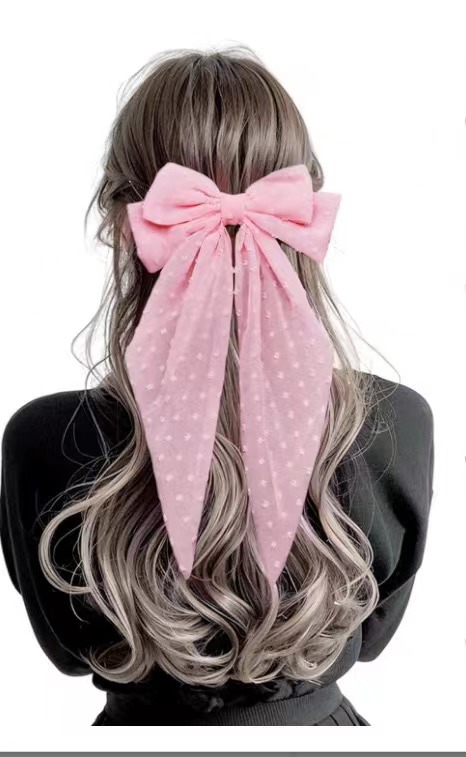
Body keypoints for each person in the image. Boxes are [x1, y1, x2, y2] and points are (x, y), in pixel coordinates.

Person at [0, 45, 434, 726]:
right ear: (302, 216)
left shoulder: (44, 441)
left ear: (123, 224)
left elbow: (67, 651)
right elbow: (373, 637)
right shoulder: (397, 423)